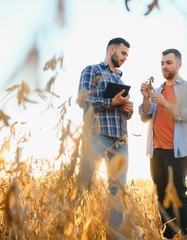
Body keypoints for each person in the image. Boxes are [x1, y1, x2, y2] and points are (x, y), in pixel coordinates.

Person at [138, 48, 187, 238]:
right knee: (162, 194)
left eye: (169, 63)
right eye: (162, 63)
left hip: (178, 151)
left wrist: (166, 103)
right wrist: (146, 97)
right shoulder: (157, 90)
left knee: (179, 194)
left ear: (179, 65)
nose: (164, 66)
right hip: (156, 151)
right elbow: (144, 115)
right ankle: (168, 233)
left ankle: (183, 232)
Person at [76, 37, 133, 234]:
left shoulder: (121, 80)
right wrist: (112, 102)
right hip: (96, 136)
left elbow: (123, 113)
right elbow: (83, 100)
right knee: (85, 185)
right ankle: (76, 231)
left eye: (127, 54)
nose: (125, 57)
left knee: (118, 192)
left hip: (120, 141)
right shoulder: (92, 70)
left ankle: (114, 235)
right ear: (111, 51)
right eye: (123, 53)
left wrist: (128, 109)